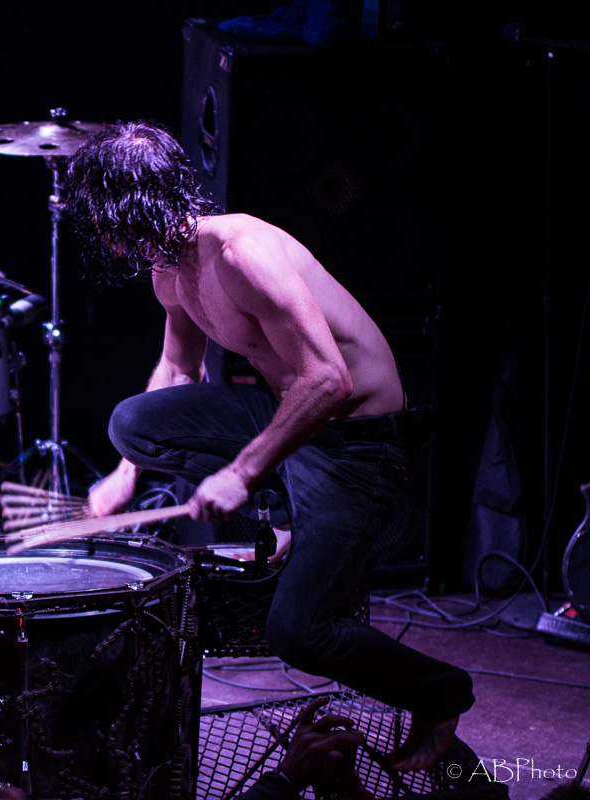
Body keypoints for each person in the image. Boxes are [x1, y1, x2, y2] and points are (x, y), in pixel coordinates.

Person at [65, 121, 474, 772]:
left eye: (102, 216)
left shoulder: (241, 254)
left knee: (298, 631)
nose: (101, 233)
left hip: (355, 440)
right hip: (290, 414)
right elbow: (178, 369)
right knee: (132, 425)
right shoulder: (169, 272)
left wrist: (244, 470)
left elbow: (328, 380)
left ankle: (441, 692)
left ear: (129, 207)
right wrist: (125, 473)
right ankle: (286, 508)